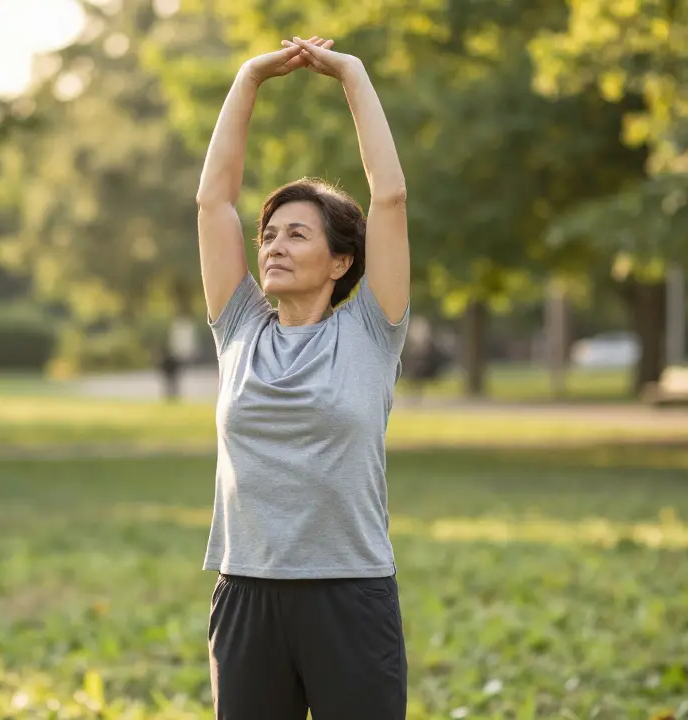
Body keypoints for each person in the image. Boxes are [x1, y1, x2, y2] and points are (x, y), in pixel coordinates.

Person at [195, 34, 411, 720]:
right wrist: (248, 80)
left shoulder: (371, 330)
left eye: (297, 234)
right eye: (269, 234)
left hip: (349, 596)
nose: (274, 246)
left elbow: (392, 197)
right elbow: (212, 203)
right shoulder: (240, 328)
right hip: (247, 594)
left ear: (342, 261)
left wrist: (351, 73)